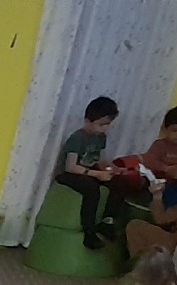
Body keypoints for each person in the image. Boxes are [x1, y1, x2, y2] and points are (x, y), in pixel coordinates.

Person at [54, 96, 132, 249]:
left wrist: (114, 170)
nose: (104, 128)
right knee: (91, 188)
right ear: (88, 121)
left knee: (120, 183)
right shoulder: (78, 138)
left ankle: (107, 221)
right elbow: (70, 167)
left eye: (107, 124)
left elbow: (101, 160)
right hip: (71, 174)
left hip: (90, 171)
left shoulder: (100, 137)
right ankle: (89, 233)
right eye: (101, 124)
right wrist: (97, 174)